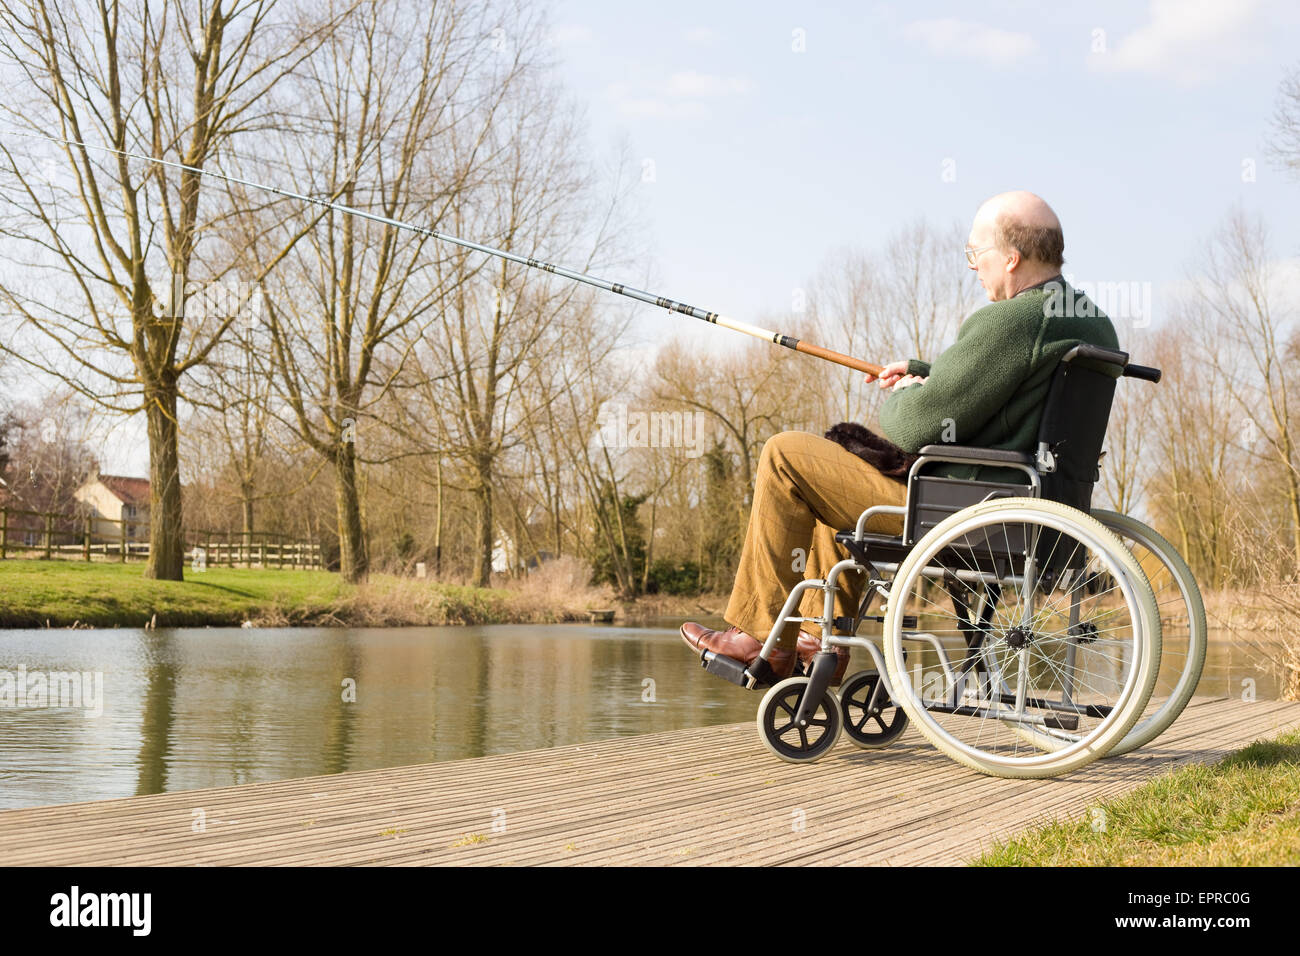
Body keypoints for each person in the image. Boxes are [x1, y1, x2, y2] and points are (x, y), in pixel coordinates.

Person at [679, 190, 1120, 684]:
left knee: (785, 456)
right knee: (829, 483)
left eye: (977, 254)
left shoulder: (1012, 319)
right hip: (1027, 507)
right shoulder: (1088, 319)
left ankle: (759, 636)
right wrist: (924, 375)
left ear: (1011, 258)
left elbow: (912, 427)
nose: (973, 266)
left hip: (962, 510)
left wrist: (904, 398)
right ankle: (814, 642)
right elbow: (1012, 393)